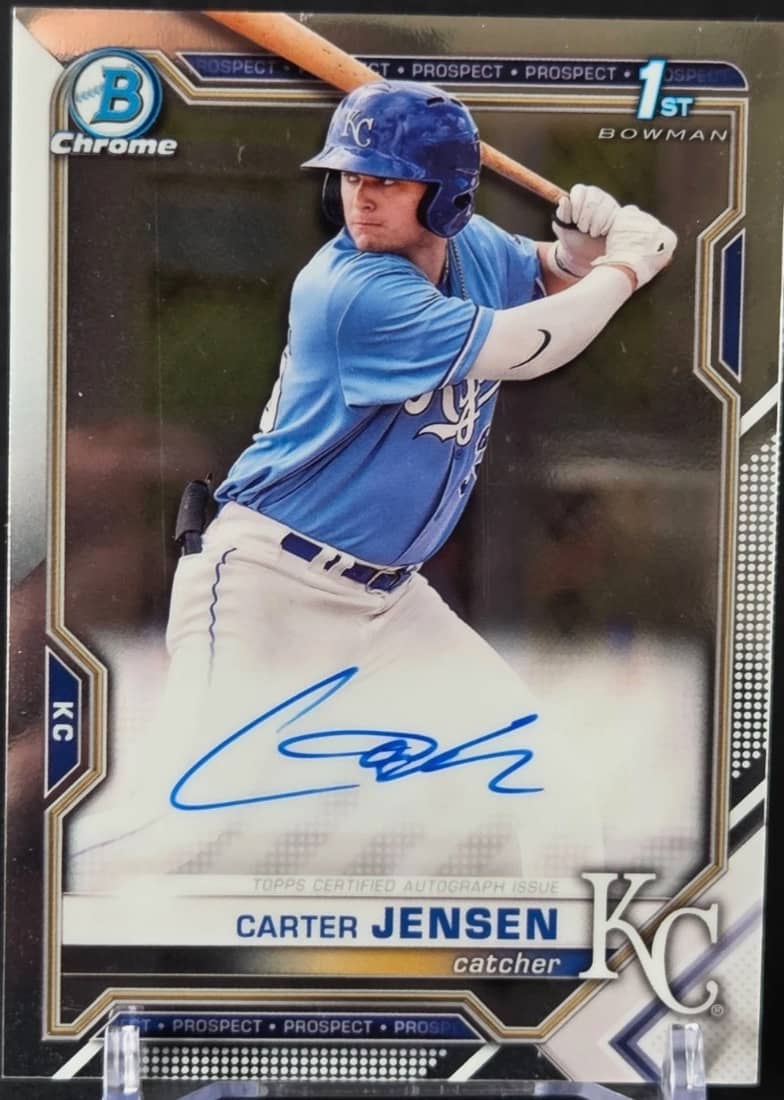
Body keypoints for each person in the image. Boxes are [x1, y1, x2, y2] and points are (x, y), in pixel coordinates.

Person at [75, 81, 677, 883]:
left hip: (388, 603)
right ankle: (28, 886)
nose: (361, 197)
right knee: (178, 823)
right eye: (353, 176)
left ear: (448, 198)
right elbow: (532, 345)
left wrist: (576, 255)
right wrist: (629, 266)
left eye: (387, 180)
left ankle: (579, 957)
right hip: (268, 584)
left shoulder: (476, 249)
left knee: (545, 787)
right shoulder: (349, 289)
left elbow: (548, 285)